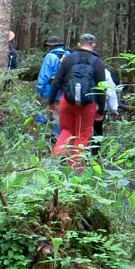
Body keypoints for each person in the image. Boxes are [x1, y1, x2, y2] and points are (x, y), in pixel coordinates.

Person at [46, 33, 107, 170]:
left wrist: (50, 102)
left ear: (79, 44)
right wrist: (101, 110)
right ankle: (76, 169)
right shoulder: (98, 63)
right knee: (82, 136)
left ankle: (53, 163)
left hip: (67, 102)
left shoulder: (68, 59)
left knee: (66, 130)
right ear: (94, 45)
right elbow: (101, 88)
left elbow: (56, 81)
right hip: (87, 106)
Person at [35, 36, 69, 137]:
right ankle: (57, 138)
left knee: (42, 112)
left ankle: (41, 136)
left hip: (48, 90)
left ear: (51, 46)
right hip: (62, 92)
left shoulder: (50, 56)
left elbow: (44, 75)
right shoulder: (69, 56)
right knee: (58, 115)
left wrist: (39, 90)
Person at [91, 66, 119, 156]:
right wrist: (114, 109)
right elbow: (111, 91)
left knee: (80, 130)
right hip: (99, 107)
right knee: (97, 131)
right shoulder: (104, 71)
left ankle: (75, 155)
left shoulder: (75, 68)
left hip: (80, 105)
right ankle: (94, 155)